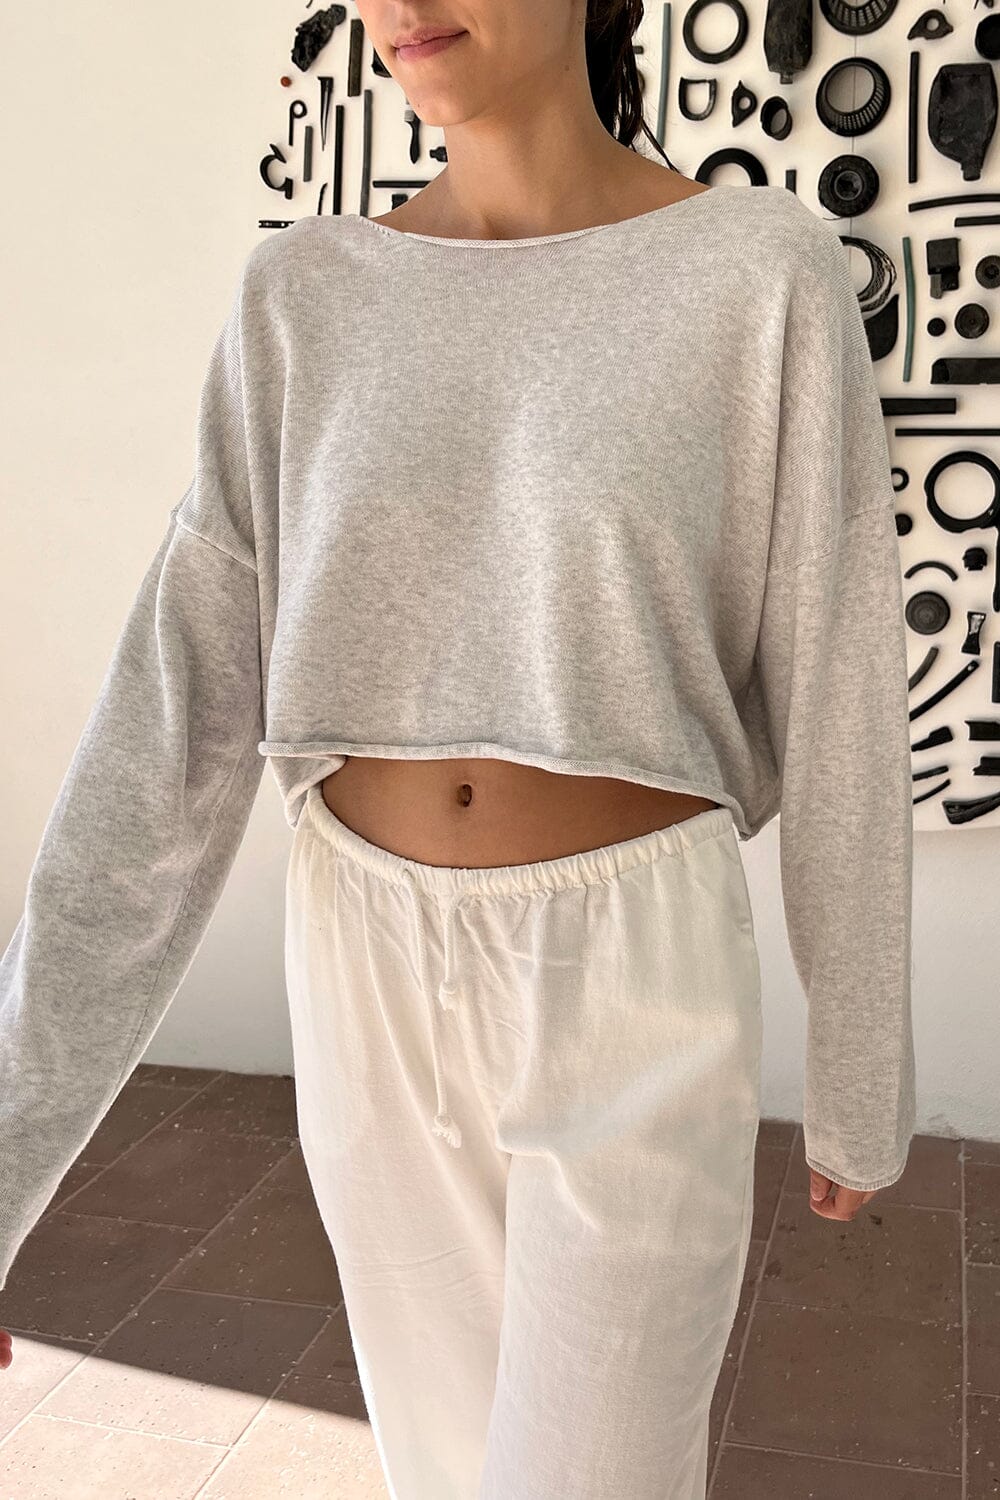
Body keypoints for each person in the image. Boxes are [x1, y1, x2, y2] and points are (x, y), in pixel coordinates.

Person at [0, 0, 915, 1494]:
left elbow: (838, 681)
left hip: (629, 973)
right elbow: (167, 730)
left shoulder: (759, 272)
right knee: (435, 1470)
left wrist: (861, 1065)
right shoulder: (304, 296)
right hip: (359, 960)